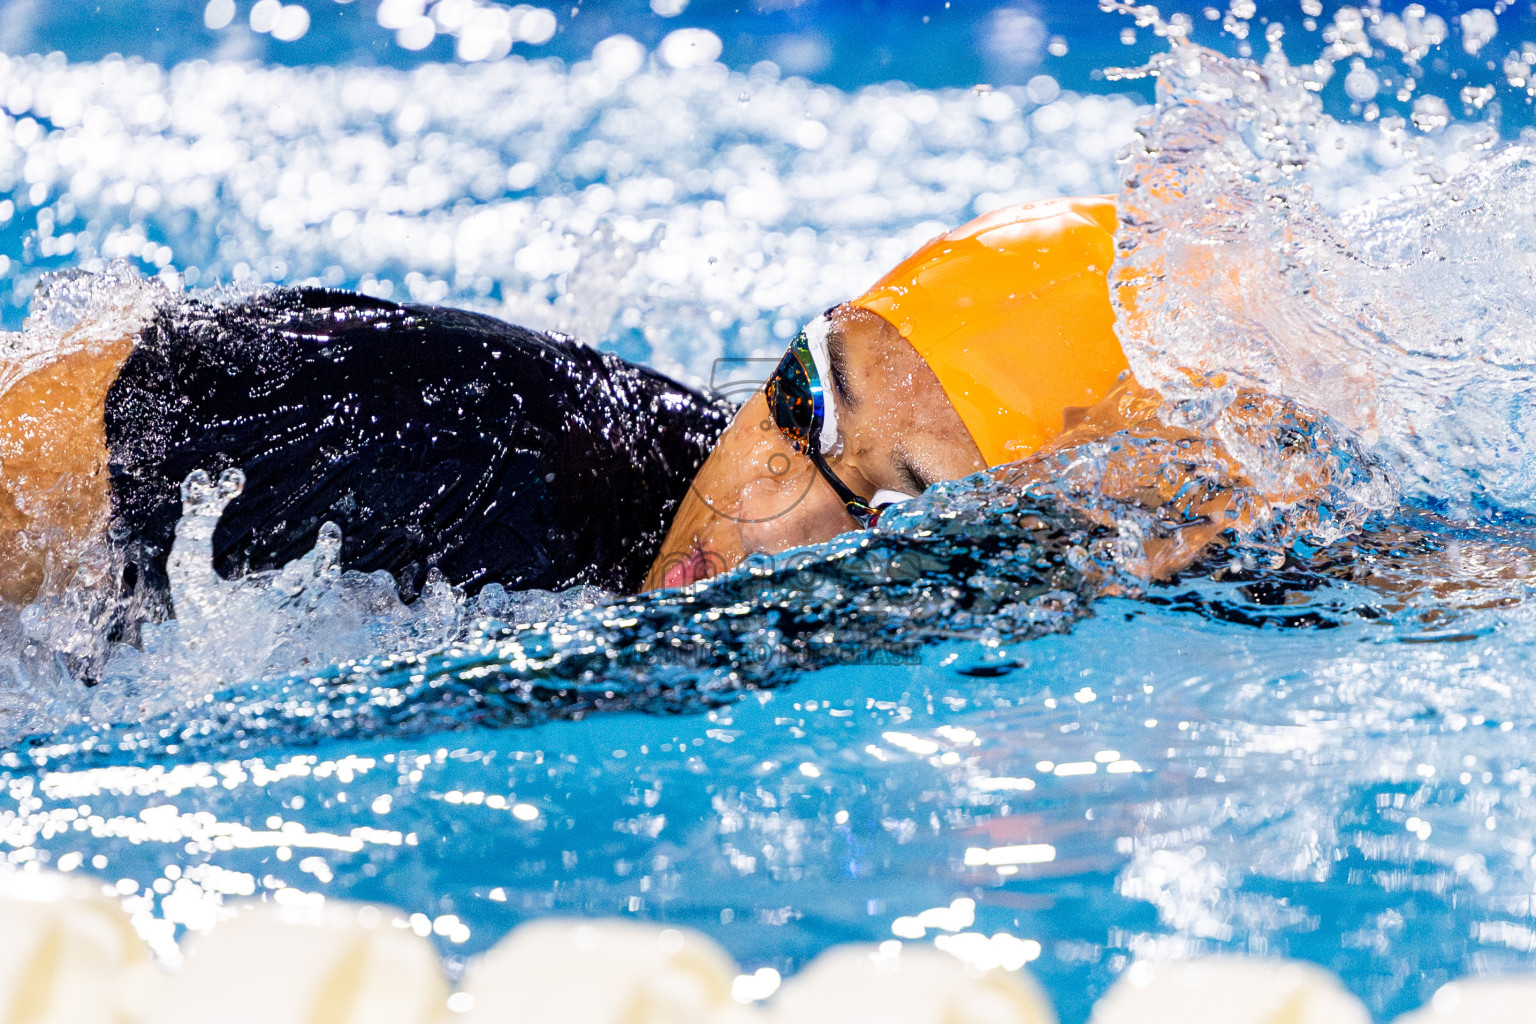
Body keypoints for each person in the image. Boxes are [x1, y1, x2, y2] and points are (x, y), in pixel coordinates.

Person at [0, 195, 1220, 620]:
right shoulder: (458, 441)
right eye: (802, 398)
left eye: (894, 507)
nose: (755, 498)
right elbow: (37, 445)